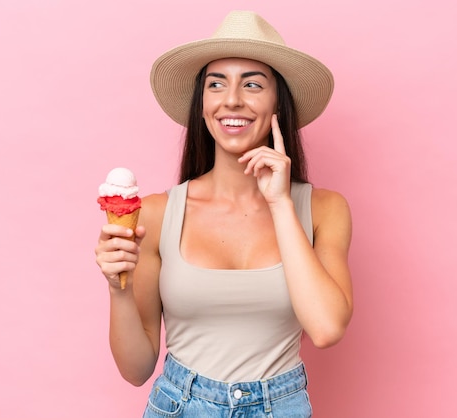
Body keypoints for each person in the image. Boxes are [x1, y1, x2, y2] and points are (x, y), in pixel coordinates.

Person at [95, 10, 352, 417]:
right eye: (217, 84)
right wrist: (118, 288)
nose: (232, 99)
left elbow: (326, 328)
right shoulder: (159, 213)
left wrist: (280, 204)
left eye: (252, 84)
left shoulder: (324, 209)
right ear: (203, 106)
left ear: (278, 105)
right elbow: (136, 369)